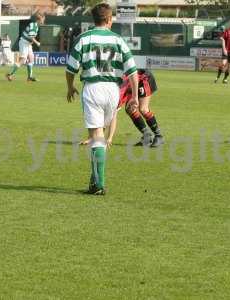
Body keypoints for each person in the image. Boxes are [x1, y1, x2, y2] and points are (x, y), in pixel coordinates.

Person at [66, 3, 139, 195]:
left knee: (97, 137)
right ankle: (94, 180)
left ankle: (99, 184)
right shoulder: (118, 40)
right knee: (101, 136)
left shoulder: (83, 38)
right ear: (109, 19)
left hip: (92, 88)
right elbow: (132, 71)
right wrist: (135, 96)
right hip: (113, 90)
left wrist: (70, 86)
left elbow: (70, 68)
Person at [79, 69, 163, 147]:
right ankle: (147, 136)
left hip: (144, 78)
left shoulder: (116, 93)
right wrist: (93, 138)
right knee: (130, 109)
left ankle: (159, 136)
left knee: (143, 109)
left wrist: (109, 138)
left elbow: (112, 117)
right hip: (131, 84)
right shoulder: (109, 91)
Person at [6, 13, 45, 82]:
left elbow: (30, 36)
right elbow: (31, 36)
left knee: (31, 59)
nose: (43, 21)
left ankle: (29, 77)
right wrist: (37, 43)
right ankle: (10, 74)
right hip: (24, 43)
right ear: (39, 20)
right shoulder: (33, 26)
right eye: (42, 20)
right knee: (23, 60)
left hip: (28, 44)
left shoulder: (35, 26)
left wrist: (32, 42)